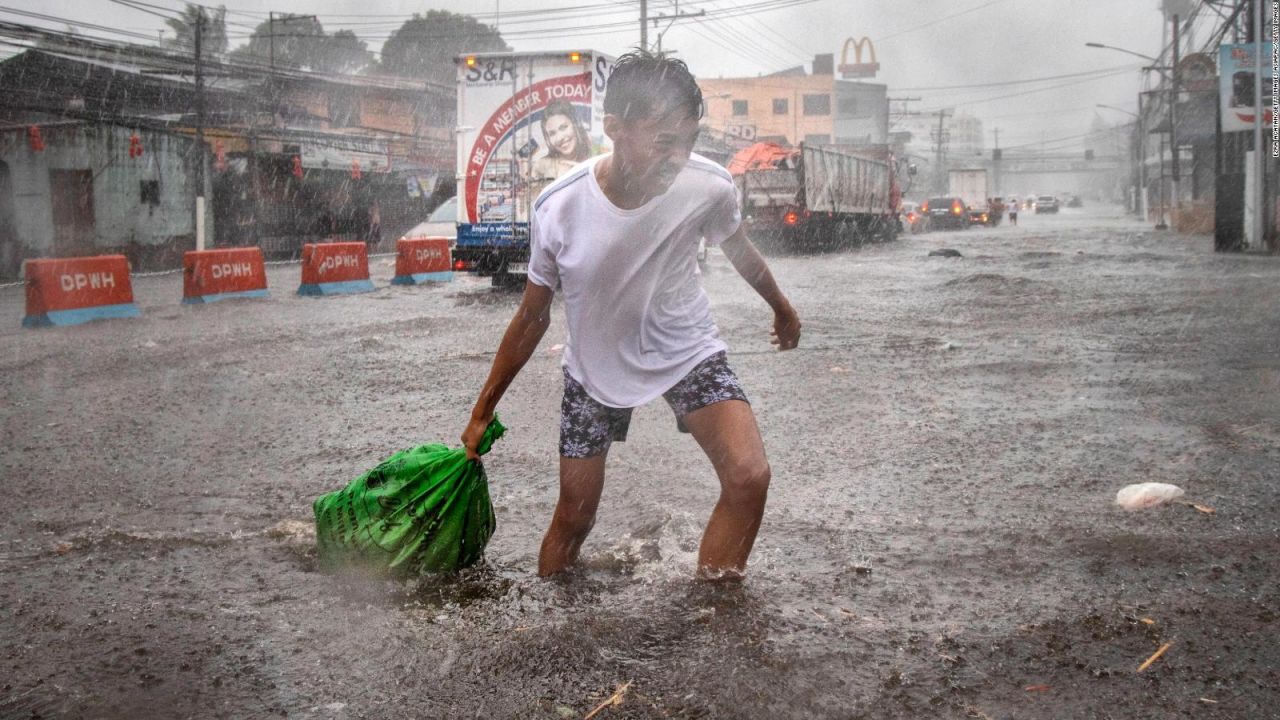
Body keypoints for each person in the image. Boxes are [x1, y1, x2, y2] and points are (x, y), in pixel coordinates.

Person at [461, 49, 801, 581]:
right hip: (594, 367)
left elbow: (739, 248)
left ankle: (713, 611)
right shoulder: (560, 207)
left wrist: (781, 308)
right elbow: (532, 317)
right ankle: (555, 629)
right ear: (614, 128)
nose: (678, 157)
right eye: (664, 142)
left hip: (685, 349)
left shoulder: (707, 185)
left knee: (749, 475)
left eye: (688, 141)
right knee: (575, 519)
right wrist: (482, 411)